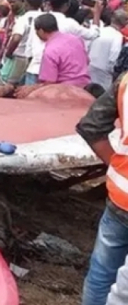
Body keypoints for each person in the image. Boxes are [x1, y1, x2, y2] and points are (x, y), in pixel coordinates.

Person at [76, 74, 128, 305]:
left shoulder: (126, 81)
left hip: (121, 197)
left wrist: (115, 165)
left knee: (102, 272)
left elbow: (90, 126)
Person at [34, 13, 90, 87]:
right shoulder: (76, 39)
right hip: (85, 85)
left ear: (41, 31)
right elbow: (87, 61)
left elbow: (49, 82)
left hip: (64, 89)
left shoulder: (50, 50)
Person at [88, 10, 128, 90]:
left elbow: (88, 46)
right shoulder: (117, 36)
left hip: (90, 65)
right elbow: (114, 56)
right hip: (104, 71)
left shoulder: (100, 30)